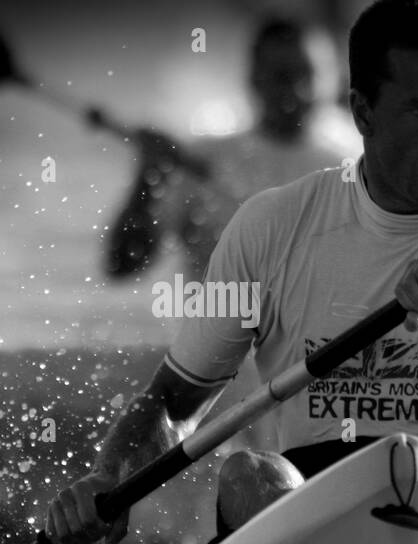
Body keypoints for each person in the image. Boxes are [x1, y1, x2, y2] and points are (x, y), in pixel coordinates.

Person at [44, 0, 418, 544]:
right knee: (246, 472)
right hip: (316, 490)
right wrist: (107, 479)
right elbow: (174, 401)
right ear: (363, 112)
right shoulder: (267, 224)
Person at [107, 16, 362, 450]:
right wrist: (148, 176)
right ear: (254, 81)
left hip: (322, 376)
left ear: (334, 78)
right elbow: (123, 264)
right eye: (282, 76)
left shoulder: (357, 159)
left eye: (309, 76)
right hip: (220, 378)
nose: (297, 90)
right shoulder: (203, 160)